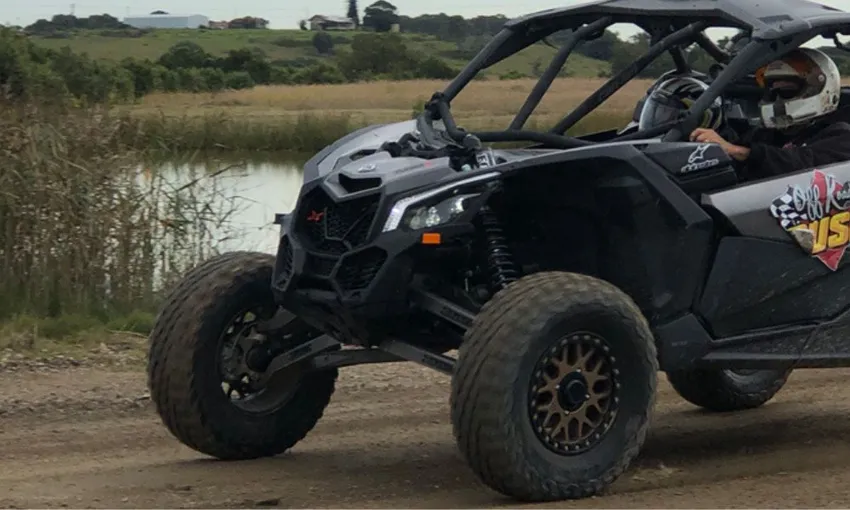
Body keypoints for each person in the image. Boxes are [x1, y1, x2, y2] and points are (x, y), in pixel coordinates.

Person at [690, 48, 850, 180]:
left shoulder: (840, 135)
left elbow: (803, 163)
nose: (778, 101)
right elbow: (735, 147)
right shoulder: (766, 134)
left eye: (786, 91)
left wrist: (739, 152)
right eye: (773, 93)